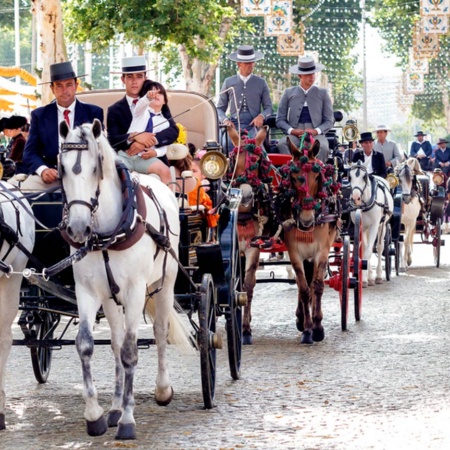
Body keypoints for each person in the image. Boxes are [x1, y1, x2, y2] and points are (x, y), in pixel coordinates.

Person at [22, 61, 104, 190]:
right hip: (51, 175)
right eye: (59, 86)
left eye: (69, 85)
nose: (64, 90)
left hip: (85, 175)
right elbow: (30, 152)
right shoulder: (39, 115)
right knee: (26, 190)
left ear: (76, 86)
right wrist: (43, 170)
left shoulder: (93, 113)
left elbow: (100, 149)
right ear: (52, 89)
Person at [107, 56, 178, 158]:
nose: (134, 81)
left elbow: (173, 131)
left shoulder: (157, 101)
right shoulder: (114, 110)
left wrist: (146, 141)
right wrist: (133, 136)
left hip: (154, 158)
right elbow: (112, 140)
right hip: (126, 160)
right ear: (123, 79)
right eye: (130, 76)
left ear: (145, 78)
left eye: (139, 76)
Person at [276, 56, 334, 163]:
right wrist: (292, 131)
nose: (311, 77)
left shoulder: (323, 93)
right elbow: (280, 120)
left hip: (316, 135)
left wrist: (315, 131)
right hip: (295, 134)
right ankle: (292, 174)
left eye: (313, 73)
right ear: (299, 75)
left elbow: (329, 120)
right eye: (308, 74)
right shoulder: (288, 93)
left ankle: (317, 175)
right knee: (283, 144)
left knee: (323, 148)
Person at [118, 81, 176, 184]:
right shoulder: (140, 111)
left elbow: (165, 147)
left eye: (160, 93)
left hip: (144, 159)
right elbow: (141, 104)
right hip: (126, 156)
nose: (156, 95)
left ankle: (172, 199)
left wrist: (155, 152)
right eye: (153, 92)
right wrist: (147, 97)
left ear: (165, 101)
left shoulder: (165, 123)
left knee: (166, 171)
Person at [217, 45, 273, 150]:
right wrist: (225, 121)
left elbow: (269, 108)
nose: (251, 65)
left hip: (253, 126)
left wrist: (261, 116)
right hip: (233, 125)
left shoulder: (261, 82)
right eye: (247, 63)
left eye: (253, 62)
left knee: (258, 149)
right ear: (239, 64)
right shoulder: (229, 82)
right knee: (225, 147)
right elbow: (219, 108)